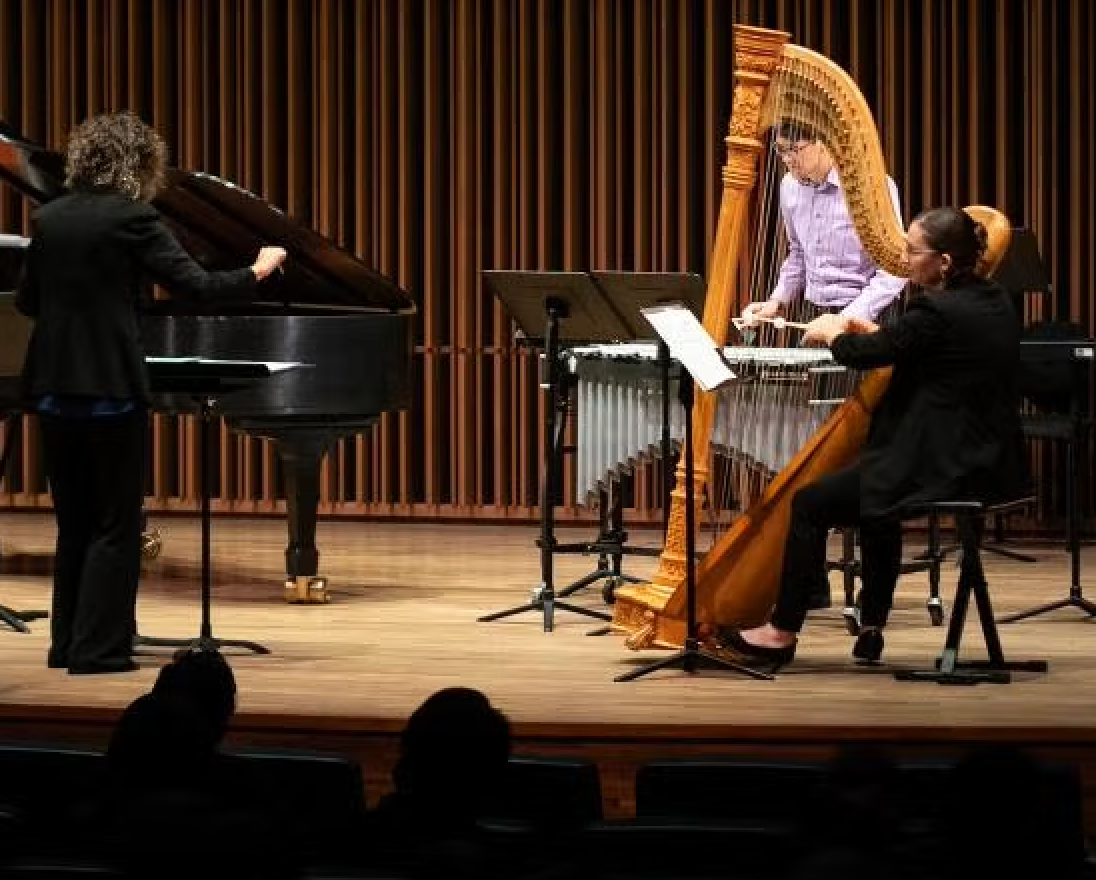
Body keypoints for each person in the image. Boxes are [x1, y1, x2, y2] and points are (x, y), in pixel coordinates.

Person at [15, 111, 287, 675]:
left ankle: (65, 644)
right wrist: (258, 270)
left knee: (75, 524)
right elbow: (198, 285)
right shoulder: (134, 218)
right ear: (140, 164)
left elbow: (27, 303)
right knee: (117, 524)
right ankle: (99, 652)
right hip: (109, 390)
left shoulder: (51, 218)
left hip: (51, 391)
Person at [718, 206, 1024, 668]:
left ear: (943, 262)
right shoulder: (993, 299)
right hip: (988, 459)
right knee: (874, 493)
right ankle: (872, 625)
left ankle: (781, 632)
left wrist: (833, 333)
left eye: (911, 251)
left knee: (811, 503)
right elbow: (920, 346)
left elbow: (872, 354)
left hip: (942, 465)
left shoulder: (933, 310)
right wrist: (874, 332)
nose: (903, 259)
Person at [741, 120, 907, 326]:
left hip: (867, 313)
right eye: (781, 150)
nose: (787, 159)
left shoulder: (872, 186)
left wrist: (846, 319)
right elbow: (798, 253)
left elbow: (896, 268)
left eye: (794, 150)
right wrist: (777, 300)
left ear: (822, 143)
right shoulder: (789, 187)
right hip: (813, 314)